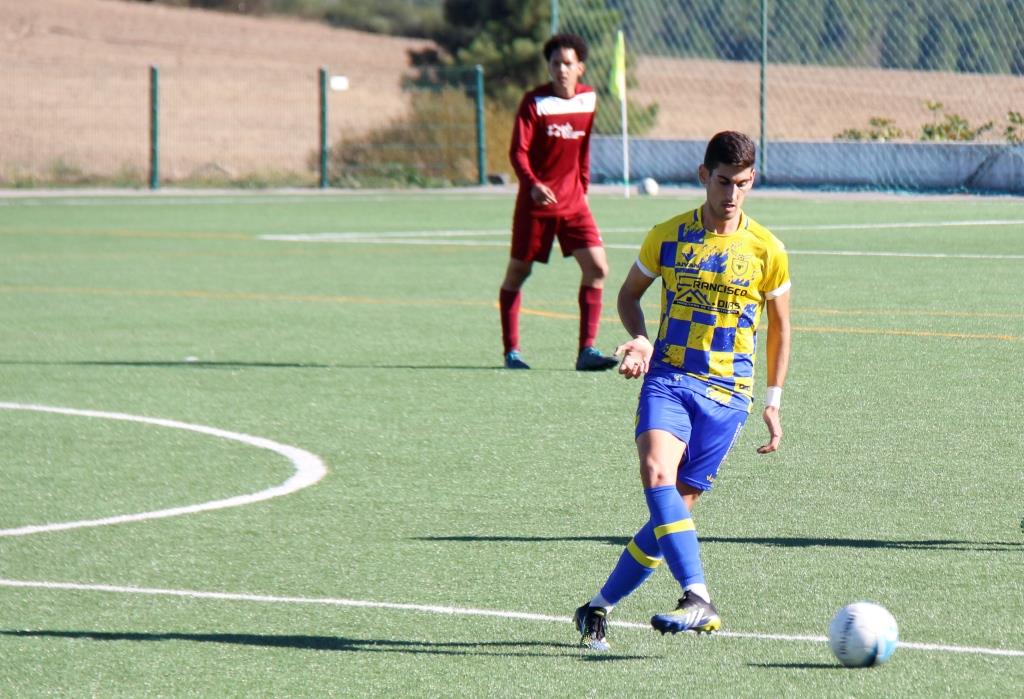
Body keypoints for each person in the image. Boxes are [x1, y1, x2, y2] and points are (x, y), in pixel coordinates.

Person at [573, 131, 792, 650]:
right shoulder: (667, 236)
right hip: (670, 379)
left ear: (752, 180)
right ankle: (698, 596)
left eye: (742, 184)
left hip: (730, 395)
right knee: (656, 475)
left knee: (671, 513)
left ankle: (597, 608)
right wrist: (641, 340)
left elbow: (782, 328)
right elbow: (628, 296)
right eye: (723, 181)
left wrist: (773, 400)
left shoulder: (768, 249)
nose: (732, 194)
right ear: (703, 176)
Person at [499, 33, 619, 371]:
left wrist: (583, 185)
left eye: (567, 63)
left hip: (574, 203)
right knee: (518, 273)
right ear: (549, 67)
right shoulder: (534, 102)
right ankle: (512, 352)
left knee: (597, 268)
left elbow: (582, 151)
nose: (561, 69)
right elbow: (517, 152)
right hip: (535, 205)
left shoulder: (588, 100)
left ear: (580, 67)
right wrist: (533, 184)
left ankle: (587, 351)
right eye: (555, 63)